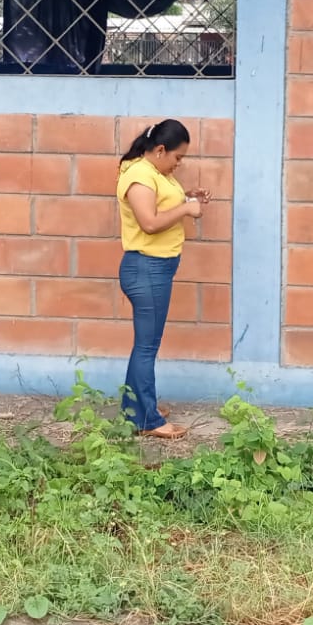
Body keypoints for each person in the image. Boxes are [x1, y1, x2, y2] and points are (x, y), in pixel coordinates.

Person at [115, 119, 209, 439]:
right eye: (177, 157)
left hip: (155, 268)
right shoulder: (140, 176)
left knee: (146, 345)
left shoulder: (154, 173)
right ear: (159, 150)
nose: (178, 163)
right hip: (147, 269)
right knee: (146, 347)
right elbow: (150, 223)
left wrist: (187, 198)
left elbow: (160, 202)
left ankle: (136, 408)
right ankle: (147, 420)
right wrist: (186, 211)